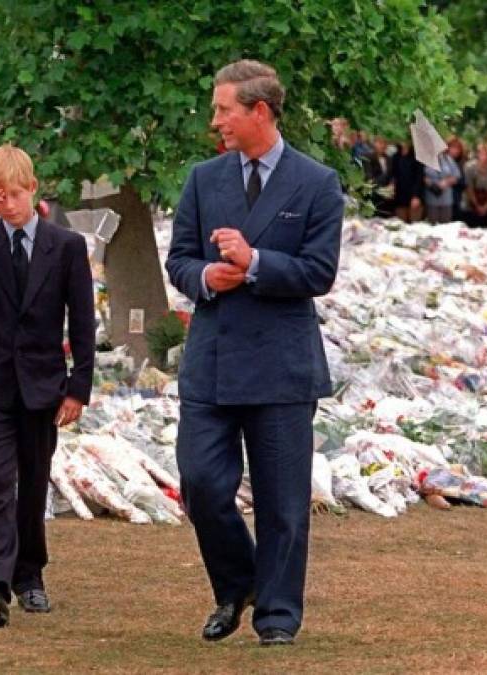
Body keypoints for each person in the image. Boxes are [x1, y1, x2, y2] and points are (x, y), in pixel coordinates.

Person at [165, 60, 343, 647]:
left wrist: (257, 262)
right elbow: (180, 259)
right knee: (200, 482)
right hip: (212, 361)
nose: (215, 120)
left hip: (281, 365)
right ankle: (238, 582)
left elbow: (319, 271)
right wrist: (206, 278)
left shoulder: (317, 183)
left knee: (282, 503)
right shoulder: (203, 178)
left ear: (259, 111)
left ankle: (277, 617)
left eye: (224, 110)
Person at [0, 145, 95, 628]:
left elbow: (83, 323)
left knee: (32, 484)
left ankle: (30, 576)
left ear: (32, 189)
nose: (6, 203)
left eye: (12, 194)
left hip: (42, 384)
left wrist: (78, 388)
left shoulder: (66, 246)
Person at [463, 142, 487, 228]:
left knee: (486, 228)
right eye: (482, 154)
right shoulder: (469, 167)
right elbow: (469, 188)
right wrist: (477, 205)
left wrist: (486, 206)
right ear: (478, 154)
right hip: (472, 204)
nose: (485, 157)